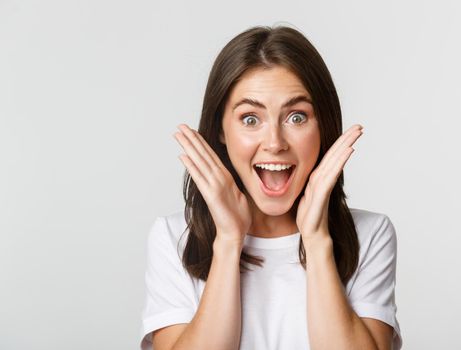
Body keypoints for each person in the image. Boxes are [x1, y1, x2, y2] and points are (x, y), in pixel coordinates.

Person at [140, 25, 402, 350]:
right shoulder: (173, 236)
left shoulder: (371, 234)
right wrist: (228, 241)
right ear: (221, 129)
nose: (275, 143)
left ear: (324, 125)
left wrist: (317, 240)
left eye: (296, 117)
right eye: (250, 119)